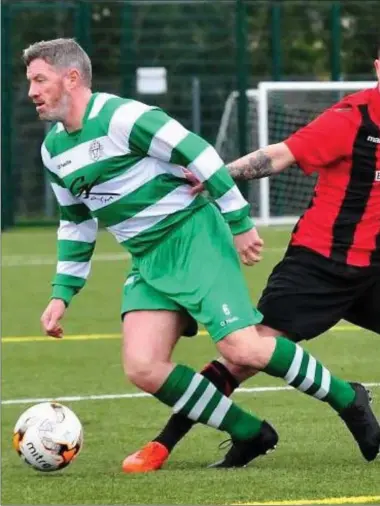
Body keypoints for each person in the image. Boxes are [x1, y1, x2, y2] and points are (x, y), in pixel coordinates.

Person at [24, 38, 379, 473]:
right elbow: (75, 223)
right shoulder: (54, 151)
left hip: (194, 238)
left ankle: (349, 398)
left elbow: (198, 153)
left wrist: (239, 222)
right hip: (148, 258)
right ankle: (251, 432)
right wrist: (62, 293)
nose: (32, 92)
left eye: (40, 80)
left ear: (71, 78)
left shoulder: (124, 117)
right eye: (31, 82)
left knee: (243, 346)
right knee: (143, 366)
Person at [122, 56, 380, 472]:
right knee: (244, 354)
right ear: (378, 67)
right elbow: (278, 155)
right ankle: (165, 443)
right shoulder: (353, 117)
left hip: (374, 269)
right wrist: (218, 176)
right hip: (319, 267)